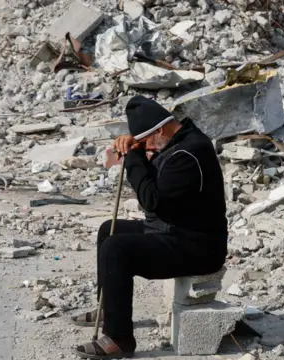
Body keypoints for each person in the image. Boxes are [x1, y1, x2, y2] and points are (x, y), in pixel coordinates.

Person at [73, 95, 228, 359]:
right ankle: (108, 308)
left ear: (160, 129)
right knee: (109, 229)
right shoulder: (176, 143)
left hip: (197, 246)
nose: (147, 148)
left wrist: (133, 158)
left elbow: (152, 201)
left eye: (146, 142)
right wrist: (138, 151)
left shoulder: (188, 153)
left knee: (117, 249)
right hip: (173, 230)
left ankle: (120, 340)